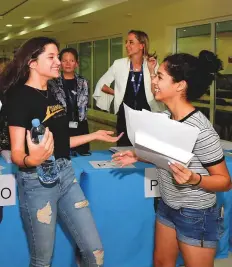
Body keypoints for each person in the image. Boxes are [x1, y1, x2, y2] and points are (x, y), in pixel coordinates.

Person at [1, 37, 122, 267]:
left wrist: (94, 136)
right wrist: (31, 158)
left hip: (66, 175)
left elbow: (61, 142)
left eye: (58, 56)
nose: (58, 61)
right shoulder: (19, 98)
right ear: (32, 63)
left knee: (94, 251)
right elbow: (17, 153)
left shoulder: (53, 93)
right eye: (52, 57)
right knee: (42, 260)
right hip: (37, 182)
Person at [112, 50, 231, 267]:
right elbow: (166, 158)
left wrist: (194, 179)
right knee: (161, 263)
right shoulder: (165, 119)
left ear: (180, 85)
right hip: (168, 206)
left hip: (197, 214)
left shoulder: (200, 130)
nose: (154, 81)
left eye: (159, 77)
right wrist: (138, 156)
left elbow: (224, 181)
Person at [93, 29, 164, 146]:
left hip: (147, 115)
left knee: (146, 150)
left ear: (142, 45)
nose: (126, 45)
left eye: (131, 42)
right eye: (126, 42)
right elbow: (101, 85)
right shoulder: (119, 64)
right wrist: (118, 93)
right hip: (125, 116)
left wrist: (152, 71)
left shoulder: (152, 64)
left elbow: (155, 92)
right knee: (123, 148)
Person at [49, 47, 91, 157]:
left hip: (80, 125)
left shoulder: (84, 82)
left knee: (83, 156)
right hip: (59, 125)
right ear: (60, 63)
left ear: (76, 63)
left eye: (71, 61)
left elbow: (85, 104)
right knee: (61, 156)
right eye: (64, 60)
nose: (68, 64)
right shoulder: (52, 83)